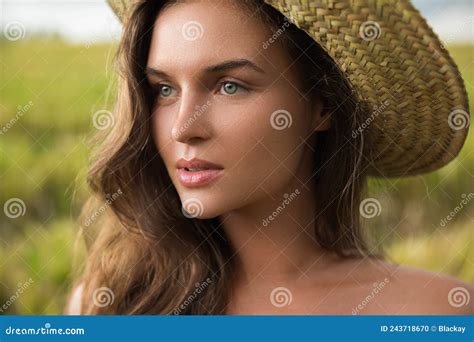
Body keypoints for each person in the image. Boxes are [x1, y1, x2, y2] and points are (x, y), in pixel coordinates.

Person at [66, 0, 473, 315]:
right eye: (164, 89)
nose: (182, 128)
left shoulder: (439, 310)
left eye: (229, 86)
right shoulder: (110, 303)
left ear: (322, 105)